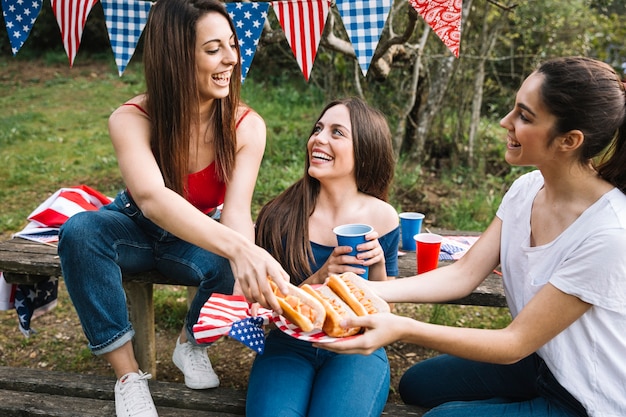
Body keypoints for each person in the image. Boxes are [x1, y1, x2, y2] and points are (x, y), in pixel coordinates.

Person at [319, 57, 626, 417]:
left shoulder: (609, 233)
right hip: (541, 360)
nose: (505, 121)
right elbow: (463, 274)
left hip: (585, 397)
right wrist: (364, 290)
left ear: (569, 140)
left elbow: (513, 343)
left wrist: (400, 327)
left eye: (524, 116)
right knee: (416, 384)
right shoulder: (527, 189)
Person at [57, 1, 290, 416]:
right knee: (80, 232)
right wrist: (239, 249)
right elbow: (151, 198)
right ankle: (128, 376)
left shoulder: (246, 126)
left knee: (228, 255)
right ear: (178, 55)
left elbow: (235, 211)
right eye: (213, 48)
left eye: (232, 45)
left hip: (195, 231)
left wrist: (245, 253)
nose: (231, 58)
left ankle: (191, 344)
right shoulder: (130, 118)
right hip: (133, 226)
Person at [246, 97, 400, 417]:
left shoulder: (383, 217)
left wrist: (378, 266)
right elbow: (263, 307)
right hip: (289, 343)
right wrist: (322, 277)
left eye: (337, 132)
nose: (318, 138)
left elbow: (388, 313)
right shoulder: (279, 215)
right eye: (318, 129)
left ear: (366, 149)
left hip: (358, 346)